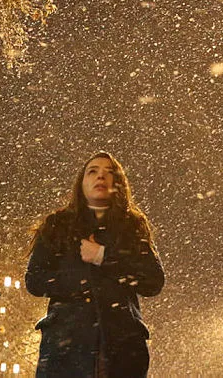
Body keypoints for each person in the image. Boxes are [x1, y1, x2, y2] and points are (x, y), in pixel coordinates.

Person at [26, 152, 164, 377]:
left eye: (109, 173)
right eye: (93, 171)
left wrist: (104, 256)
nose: (101, 176)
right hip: (66, 349)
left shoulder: (131, 228)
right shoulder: (57, 226)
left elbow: (153, 280)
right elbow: (35, 280)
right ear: (81, 183)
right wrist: (80, 281)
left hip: (122, 350)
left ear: (117, 184)